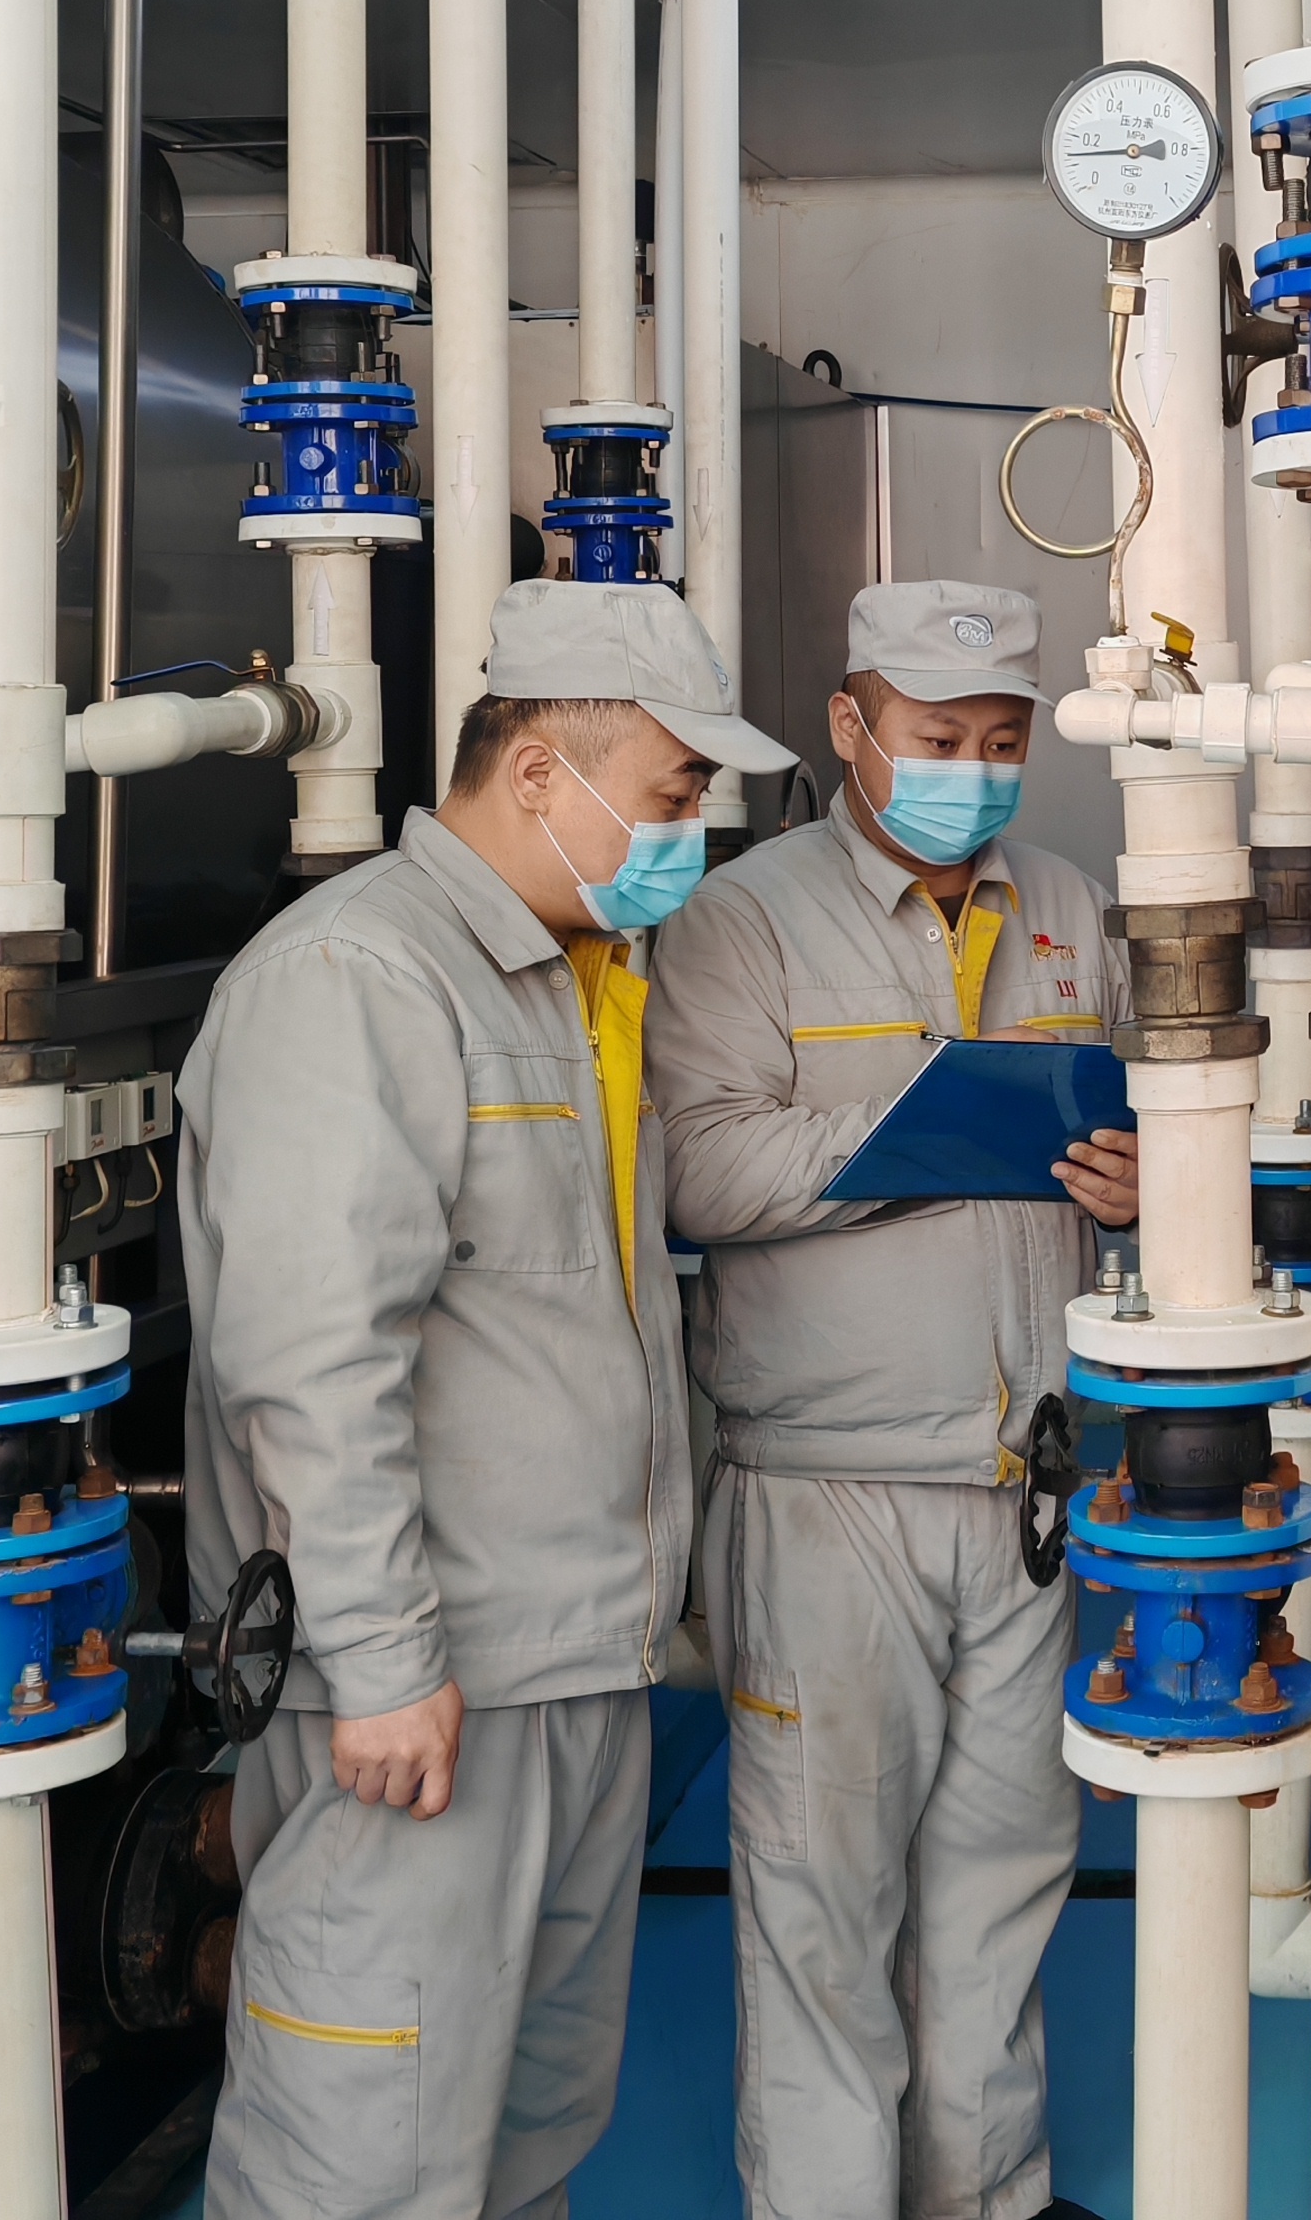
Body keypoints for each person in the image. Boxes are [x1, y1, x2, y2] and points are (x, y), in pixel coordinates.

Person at [179, 577, 795, 2220]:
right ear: (538, 772)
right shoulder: (362, 977)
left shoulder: (576, 979)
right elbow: (313, 1356)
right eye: (672, 792)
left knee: (527, 2135)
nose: (688, 833)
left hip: (573, 1666)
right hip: (424, 1696)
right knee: (363, 2159)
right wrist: (385, 1662)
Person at [645, 580, 1139, 2220]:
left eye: (1001, 742)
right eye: (937, 737)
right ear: (851, 725)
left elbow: (1153, 1122)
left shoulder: (1067, 904)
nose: (972, 772)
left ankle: (987, 2197)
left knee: (1005, 1883)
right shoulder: (743, 919)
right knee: (821, 1908)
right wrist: (928, 1138)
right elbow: (698, 1171)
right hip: (827, 1491)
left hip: (1029, 1489)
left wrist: (1146, 1183)